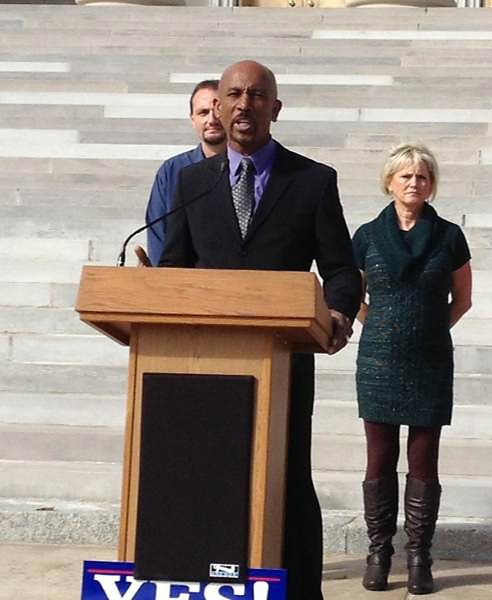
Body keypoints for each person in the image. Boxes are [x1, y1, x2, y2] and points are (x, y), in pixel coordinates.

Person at [158, 60, 361, 600]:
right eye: (233, 95)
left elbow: (340, 268)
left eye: (256, 95)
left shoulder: (313, 181)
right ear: (218, 108)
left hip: (284, 361)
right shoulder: (191, 182)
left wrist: (338, 311)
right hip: (206, 367)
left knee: (288, 478)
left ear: (276, 108)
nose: (244, 104)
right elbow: (176, 264)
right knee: (207, 477)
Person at [352, 143, 472, 594]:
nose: (414, 183)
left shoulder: (449, 236)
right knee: (380, 456)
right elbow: (351, 294)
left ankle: (419, 557)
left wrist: (428, 329)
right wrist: (379, 324)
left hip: (430, 360)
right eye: (405, 176)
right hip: (378, 360)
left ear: (431, 184)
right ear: (390, 181)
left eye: (422, 177)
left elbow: (463, 299)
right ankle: (379, 552)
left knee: (424, 458)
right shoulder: (366, 235)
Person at [144, 79, 226, 266]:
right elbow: (159, 234)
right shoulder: (172, 171)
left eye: (218, 111)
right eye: (203, 112)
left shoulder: (248, 169)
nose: (211, 120)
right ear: (193, 119)